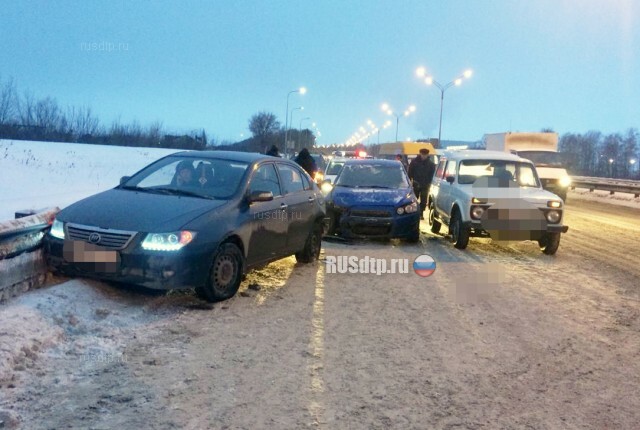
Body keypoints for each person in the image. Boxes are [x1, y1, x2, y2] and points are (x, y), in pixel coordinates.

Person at [408, 148, 436, 219]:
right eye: (422, 154)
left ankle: (421, 213)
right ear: (420, 154)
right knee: (414, 199)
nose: (424, 156)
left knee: (423, 200)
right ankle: (413, 213)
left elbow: (432, 175)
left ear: (427, 155)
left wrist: (429, 183)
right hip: (415, 183)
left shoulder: (431, 164)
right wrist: (410, 181)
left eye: (425, 155)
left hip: (425, 184)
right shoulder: (414, 162)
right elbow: (410, 172)